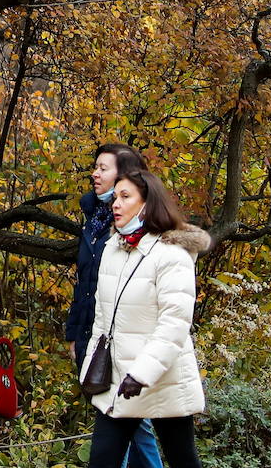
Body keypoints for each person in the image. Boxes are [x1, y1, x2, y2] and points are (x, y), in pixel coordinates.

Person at [81, 169, 210, 468]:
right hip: (119, 381)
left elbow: (174, 325)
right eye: (115, 197)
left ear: (147, 204)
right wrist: (92, 367)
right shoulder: (112, 248)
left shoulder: (172, 255)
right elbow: (102, 320)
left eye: (126, 197)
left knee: (183, 461)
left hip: (164, 378)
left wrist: (142, 374)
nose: (116, 204)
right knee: (101, 462)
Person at [66, 144, 164, 468]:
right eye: (95, 167)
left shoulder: (137, 230)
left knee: (126, 421)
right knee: (129, 424)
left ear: (124, 177)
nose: (95, 173)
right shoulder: (94, 221)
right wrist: (75, 334)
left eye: (103, 168)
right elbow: (85, 285)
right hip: (98, 338)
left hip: (129, 342)